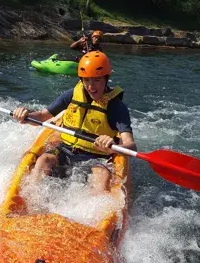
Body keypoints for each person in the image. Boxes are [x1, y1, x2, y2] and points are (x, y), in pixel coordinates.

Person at [12, 51, 136, 194]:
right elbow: (42, 116)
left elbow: (131, 147)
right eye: (87, 80)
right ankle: (27, 200)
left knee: (102, 177)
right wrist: (25, 115)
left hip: (97, 157)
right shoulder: (71, 95)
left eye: (97, 80)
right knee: (43, 160)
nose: (91, 86)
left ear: (106, 78)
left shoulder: (116, 107)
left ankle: (96, 214)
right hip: (65, 149)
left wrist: (112, 147)